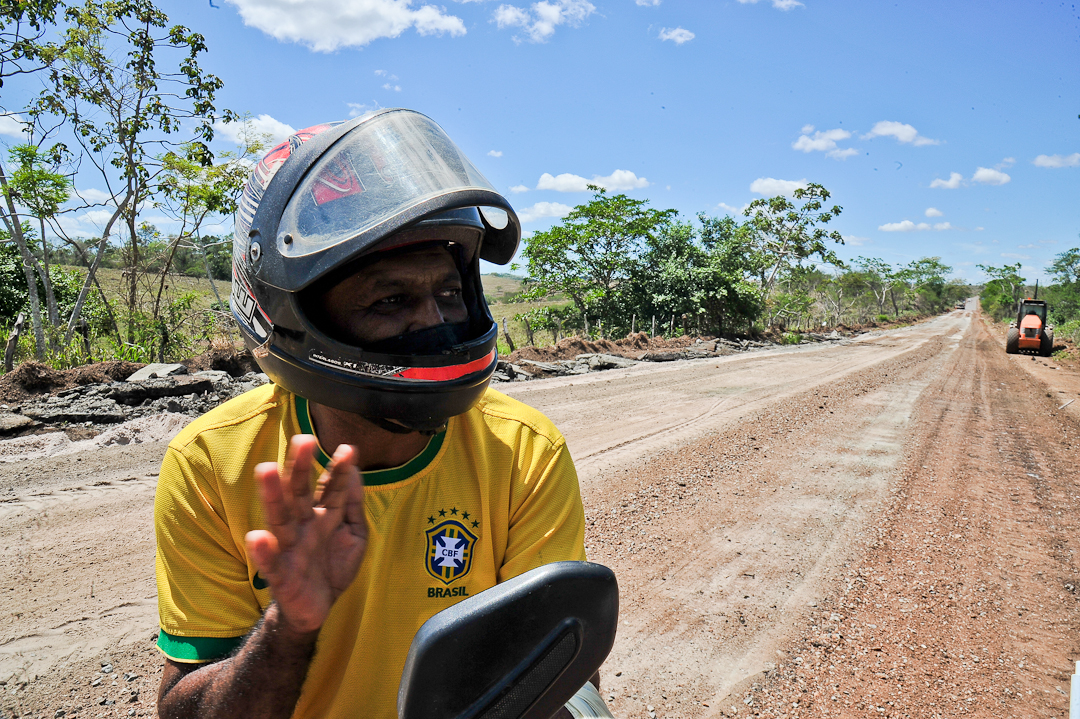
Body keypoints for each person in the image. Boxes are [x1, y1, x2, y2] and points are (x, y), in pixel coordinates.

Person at [153, 110, 611, 718]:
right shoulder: (214, 463)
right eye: (391, 299)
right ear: (294, 314)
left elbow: (557, 675)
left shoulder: (522, 450)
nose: (435, 323)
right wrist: (289, 627)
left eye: (449, 293)